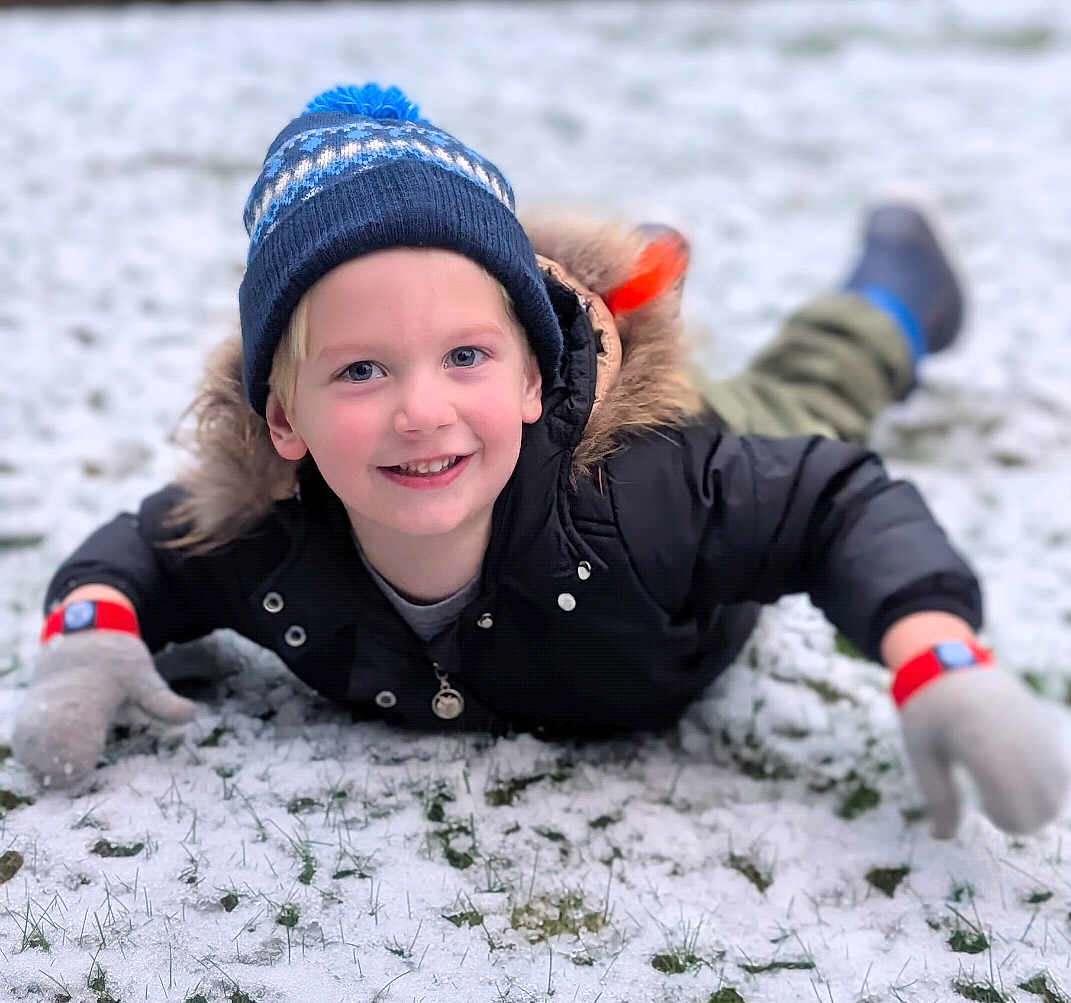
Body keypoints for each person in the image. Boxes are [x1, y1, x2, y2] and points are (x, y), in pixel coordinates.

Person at [13, 84, 1068, 840]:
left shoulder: (656, 493)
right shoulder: (272, 532)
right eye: (361, 370)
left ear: (533, 373)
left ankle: (898, 279)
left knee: (818, 389)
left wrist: (934, 654)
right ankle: (606, 279)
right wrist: (90, 634)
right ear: (284, 418)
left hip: (638, 434)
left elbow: (836, 505)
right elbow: (144, 550)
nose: (421, 411)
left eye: (465, 356)